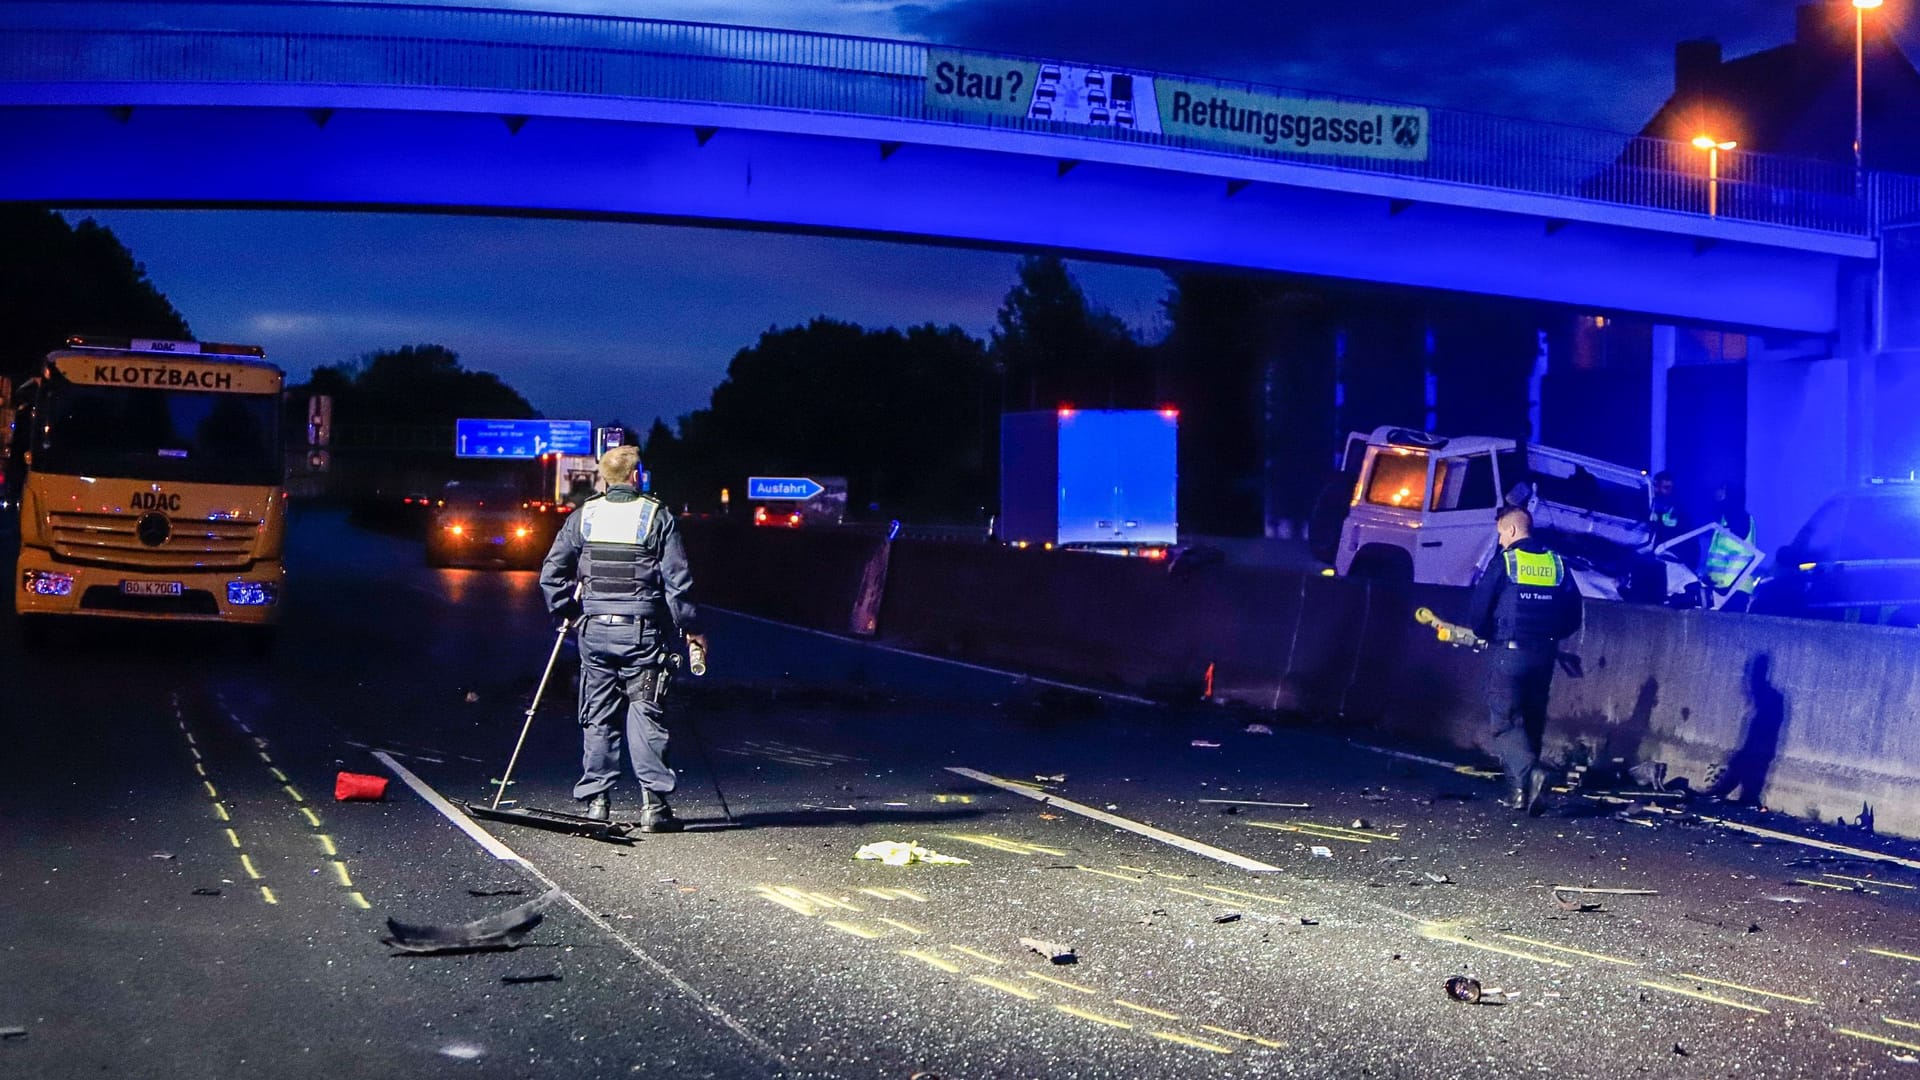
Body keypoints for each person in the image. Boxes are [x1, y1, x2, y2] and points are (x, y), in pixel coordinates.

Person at [539, 445, 706, 832]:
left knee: (597, 714)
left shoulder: (584, 517)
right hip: (642, 636)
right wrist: (693, 629)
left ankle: (597, 803)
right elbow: (677, 586)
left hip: (594, 634)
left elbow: (551, 574)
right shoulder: (656, 516)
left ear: (603, 478)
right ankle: (654, 807)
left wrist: (571, 614)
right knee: (645, 712)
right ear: (636, 476)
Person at [1465, 506, 1583, 815]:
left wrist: (1486, 632)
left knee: (1504, 723)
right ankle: (1521, 795)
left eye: (1502, 534)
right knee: (1531, 721)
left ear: (1513, 531)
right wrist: (1551, 637)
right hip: (1545, 654)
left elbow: (1479, 610)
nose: (1501, 541)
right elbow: (1574, 614)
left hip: (1511, 653)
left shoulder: (1506, 561)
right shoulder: (1557, 563)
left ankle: (1533, 773)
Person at [1702, 482, 1758, 613]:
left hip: (1735, 588)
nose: (1715, 493)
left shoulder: (1739, 517)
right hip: (1720, 588)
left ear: (1727, 493)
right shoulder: (1723, 520)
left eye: (1719, 489)